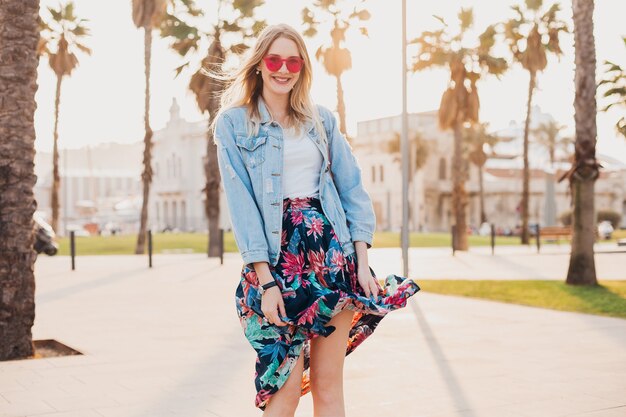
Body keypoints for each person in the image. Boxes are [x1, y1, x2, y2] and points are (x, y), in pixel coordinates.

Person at [210, 23, 420, 416]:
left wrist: (360, 264)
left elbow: (352, 190)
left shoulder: (321, 120)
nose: (283, 69)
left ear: (303, 67)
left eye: (294, 61)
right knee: (283, 391)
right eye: (275, 59)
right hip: (276, 264)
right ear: (259, 64)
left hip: (331, 259)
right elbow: (243, 209)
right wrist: (266, 281)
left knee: (328, 388)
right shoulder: (234, 123)